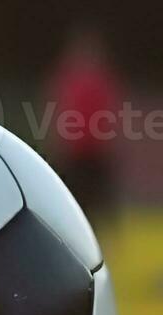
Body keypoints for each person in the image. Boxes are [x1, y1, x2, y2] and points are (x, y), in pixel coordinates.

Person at [45, 26, 123, 237]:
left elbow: (110, 110)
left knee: (101, 202)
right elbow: (58, 108)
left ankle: (103, 238)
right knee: (74, 202)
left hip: (96, 152)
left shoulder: (101, 78)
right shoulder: (67, 77)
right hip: (74, 153)